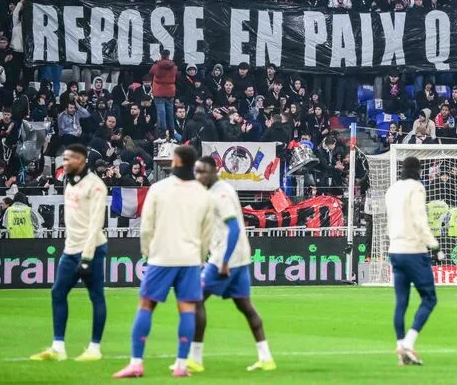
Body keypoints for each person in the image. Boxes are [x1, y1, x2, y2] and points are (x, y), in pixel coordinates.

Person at [113, 146, 213, 379]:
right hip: (189, 258)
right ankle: (181, 364)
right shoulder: (203, 193)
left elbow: (147, 225)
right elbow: (207, 231)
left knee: (146, 305)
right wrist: (199, 257)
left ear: (176, 160)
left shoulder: (158, 189)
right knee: (187, 308)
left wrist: (147, 252)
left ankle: (136, 363)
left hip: (162, 256)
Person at [180, 156, 276, 373]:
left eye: (202, 171)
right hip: (239, 257)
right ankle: (266, 357)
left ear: (215, 171)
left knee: (195, 299)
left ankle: (195, 358)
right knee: (245, 306)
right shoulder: (221, 189)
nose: (198, 176)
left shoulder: (219, 194)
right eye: (196, 172)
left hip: (226, 258)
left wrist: (224, 262)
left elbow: (233, 229)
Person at [31, 144, 108, 362]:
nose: (65, 163)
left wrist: (87, 257)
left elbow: (96, 224)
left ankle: (94, 348)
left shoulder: (96, 186)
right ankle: (58, 348)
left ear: (82, 160)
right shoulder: (70, 184)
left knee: (96, 296)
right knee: (57, 292)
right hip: (71, 248)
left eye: (69, 159)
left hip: (91, 249)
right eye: (63, 159)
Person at [385, 156, 439, 366]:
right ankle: (408, 343)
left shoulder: (392, 189)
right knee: (429, 299)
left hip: (395, 250)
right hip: (413, 250)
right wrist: (433, 243)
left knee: (401, 303)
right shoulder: (416, 188)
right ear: (418, 170)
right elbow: (419, 219)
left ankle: (402, 351)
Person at [149, 49, 178, 135]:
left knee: (161, 115)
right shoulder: (174, 67)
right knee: (170, 115)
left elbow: (150, 73)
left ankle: (162, 135)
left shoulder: (156, 66)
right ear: (169, 55)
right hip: (170, 92)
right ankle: (172, 134)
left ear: (161, 55)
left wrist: (156, 62)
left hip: (159, 92)